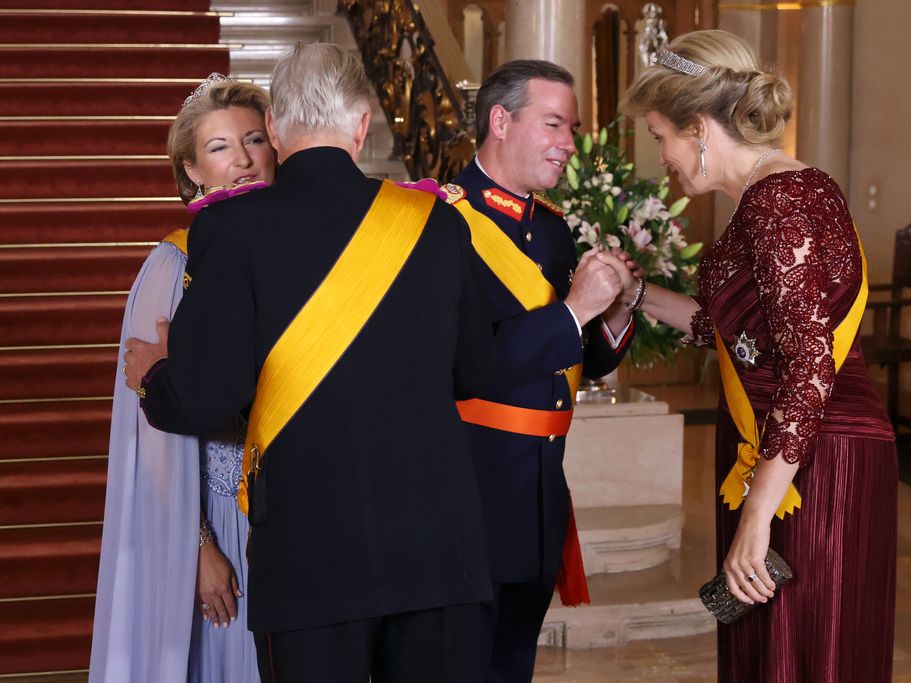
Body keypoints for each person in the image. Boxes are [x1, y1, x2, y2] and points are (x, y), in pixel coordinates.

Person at [122, 43, 494, 682]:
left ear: (273, 128)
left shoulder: (231, 232)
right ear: (361, 126)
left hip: (310, 560)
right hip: (439, 549)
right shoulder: (434, 220)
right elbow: (477, 370)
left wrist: (155, 377)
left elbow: (207, 397)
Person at [608, 29, 898, 682]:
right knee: (772, 647)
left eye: (661, 136)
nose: (664, 157)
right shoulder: (768, 199)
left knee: (803, 653)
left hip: (813, 462)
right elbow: (729, 331)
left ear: (699, 127)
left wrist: (757, 515)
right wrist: (635, 294)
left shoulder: (779, 202)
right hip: (781, 451)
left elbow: (809, 369)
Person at [450, 60, 635, 682]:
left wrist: (613, 310)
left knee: (512, 667)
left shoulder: (550, 232)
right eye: (554, 124)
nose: (568, 144)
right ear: (500, 120)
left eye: (572, 128)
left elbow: (574, 353)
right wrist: (576, 306)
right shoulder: (439, 223)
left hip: (539, 493)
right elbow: (467, 367)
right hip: (468, 492)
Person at [89, 75, 274, 682]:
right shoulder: (174, 263)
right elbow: (156, 425)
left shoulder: (299, 249)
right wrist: (197, 548)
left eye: (254, 139)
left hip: (301, 511)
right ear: (192, 170)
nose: (244, 160)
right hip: (218, 516)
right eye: (221, 148)